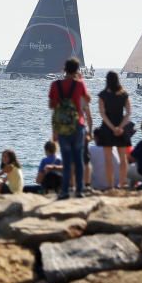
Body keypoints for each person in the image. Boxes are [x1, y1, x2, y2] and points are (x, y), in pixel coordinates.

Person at [49, 58, 92, 199]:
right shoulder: (79, 85)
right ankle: (79, 190)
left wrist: (54, 131)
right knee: (78, 159)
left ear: (64, 69)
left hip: (62, 127)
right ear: (77, 70)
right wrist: (81, 82)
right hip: (78, 125)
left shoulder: (55, 85)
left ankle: (65, 191)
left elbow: (52, 106)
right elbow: (88, 99)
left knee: (66, 161)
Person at [95, 71, 132, 189]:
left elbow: (102, 114)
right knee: (123, 159)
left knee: (108, 160)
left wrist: (112, 128)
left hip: (106, 128)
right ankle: (122, 184)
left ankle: (110, 186)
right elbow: (128, 113)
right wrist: (120, 127)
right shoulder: (124, 94)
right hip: (121, 128)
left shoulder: (102, 95)